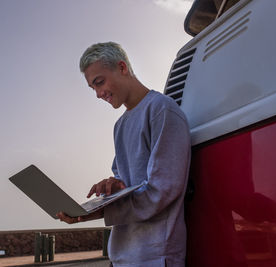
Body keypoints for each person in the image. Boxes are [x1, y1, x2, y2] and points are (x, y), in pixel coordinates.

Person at [57, 42, 191, 267]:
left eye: (99, 82)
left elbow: (161, 192)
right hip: (121, 256)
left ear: (122, 67)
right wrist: (111, 190)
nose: (99, 94)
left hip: (155, 256)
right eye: (92, 88)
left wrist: (94, 213)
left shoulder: (162, 110)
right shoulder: (120, 126)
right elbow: (126, 191)